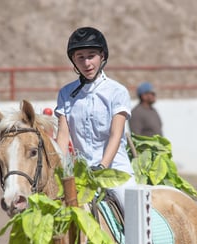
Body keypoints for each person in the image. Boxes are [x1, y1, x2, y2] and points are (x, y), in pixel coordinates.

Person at [54, 26, 136, 208]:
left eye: (91, 56)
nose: (86, 63)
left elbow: (116, 135)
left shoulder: (117, 91)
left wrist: (102, 167)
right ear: (73, 61)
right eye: (80, 57)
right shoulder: (66, 93)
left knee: (132, 208)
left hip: (115, 170)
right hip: (80, 173)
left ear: (102, 56)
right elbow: (62, 136)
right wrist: (59, 168)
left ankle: (146, 237)